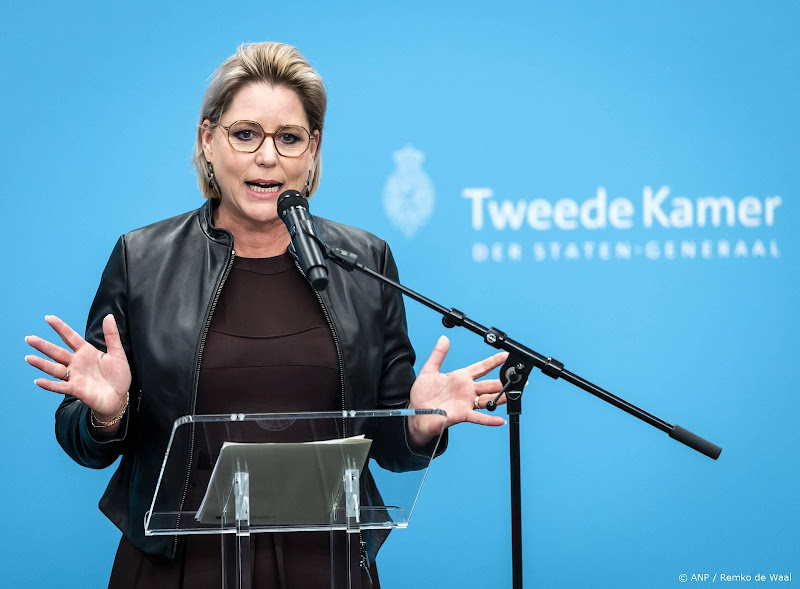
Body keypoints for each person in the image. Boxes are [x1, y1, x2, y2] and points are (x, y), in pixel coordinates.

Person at [24, 42, 507, 588]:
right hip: (179, 565)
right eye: (246, 134)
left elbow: (389, 438)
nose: (268, 157)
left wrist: (418, 424)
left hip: (325, 562)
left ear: (313, 148)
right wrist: (109, 415)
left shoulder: (364, 261)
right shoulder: (143, 260)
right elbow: (81, 437)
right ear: (208, 140)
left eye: (289, 138)